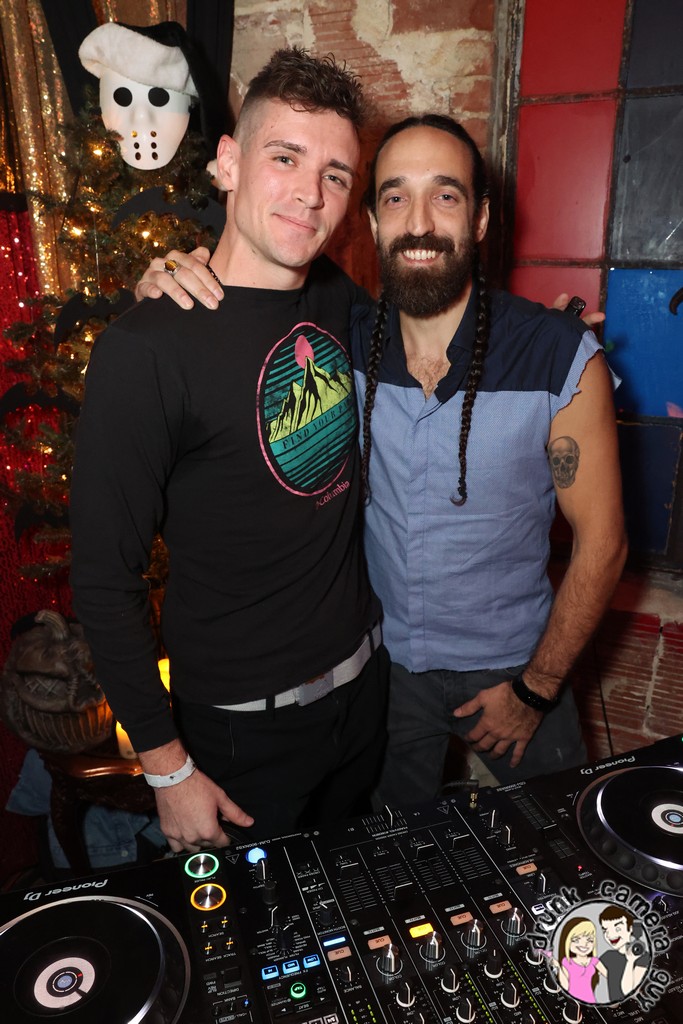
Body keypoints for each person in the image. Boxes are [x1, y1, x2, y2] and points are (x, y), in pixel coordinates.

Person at [139, 115, 626, 803]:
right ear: (371, 222)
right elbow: (245, 311)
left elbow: (603, 543)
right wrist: (168, 276)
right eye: (396, 197)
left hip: (517, 663)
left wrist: (536, 689)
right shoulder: (342, 335)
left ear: (481, 219)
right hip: (382, 672)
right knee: (385, 855)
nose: (419, 223)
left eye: (445, 195)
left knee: (564, 837)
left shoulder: (556, 355)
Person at [69, 47, 389, 855]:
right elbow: (104, 579)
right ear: (227, 163)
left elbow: (436, 325)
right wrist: (166, 768)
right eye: (285, 158)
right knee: (251, 931)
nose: (310, 194)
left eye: (336, 175)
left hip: (364, 694)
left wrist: (552, 331)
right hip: (245, 737)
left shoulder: (337, 297)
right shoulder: (144, 349)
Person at [599, 906, 649, 1001]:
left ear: (630, 929)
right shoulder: (608, 955)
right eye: (605, 930)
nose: (610, 935)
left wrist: (630, 961)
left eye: (617, 929)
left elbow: (628, 991)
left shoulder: (642, 957)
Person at [552, 917, 608, 1003]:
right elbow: (565, 986)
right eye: (576, 940)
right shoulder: (566, 962)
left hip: (590, 1000)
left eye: (590, 940)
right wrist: (558, 967)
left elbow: (610, 977)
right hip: (572, 1000)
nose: (584, 944)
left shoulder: (594, 961)